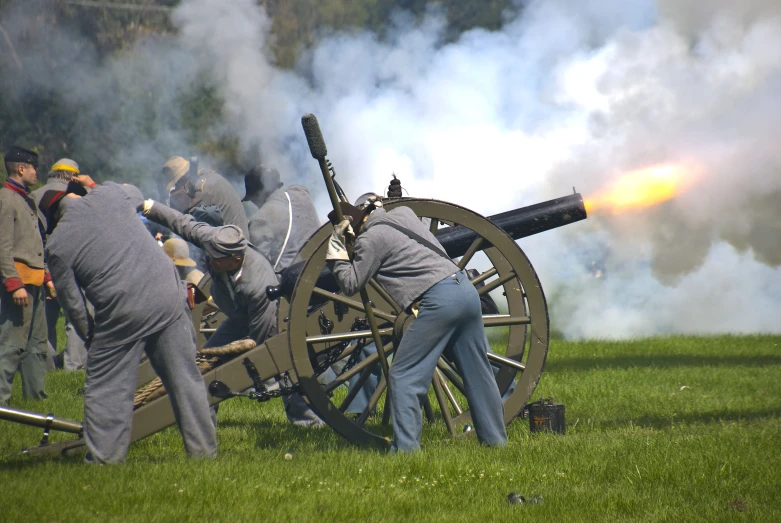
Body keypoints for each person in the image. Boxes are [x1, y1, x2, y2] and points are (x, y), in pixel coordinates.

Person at [40, 176, 217, 463]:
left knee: (107, 388)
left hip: (122, 310)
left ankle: (104, 460)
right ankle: (204, 454)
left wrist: (92, 338)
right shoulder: (109, 194)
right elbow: (136, 193)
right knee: (186, 378)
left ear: (55, 218)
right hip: (168, 295)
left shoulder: (57, 245)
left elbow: (73, 305)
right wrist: (96, 186)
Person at [326, 195, 507, 452]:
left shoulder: (371, 239)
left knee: (403, 376)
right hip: (465, 290)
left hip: (438, 301)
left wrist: (337, 253)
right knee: (478, 372)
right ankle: (495, 442)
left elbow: (351, 283)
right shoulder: (404, 214)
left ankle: (406, 451)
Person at [141, 198, 325, 428]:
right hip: (239, 314)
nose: (209, 260)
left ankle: (309, 423)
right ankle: (203, 422)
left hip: (267, 320)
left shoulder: (258, 283)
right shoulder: (215, 242)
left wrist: (244, 366)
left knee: (283, 366)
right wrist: (148, 206)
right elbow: (182, 223)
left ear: (236, 260)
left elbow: (258, 339)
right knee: (206, 362)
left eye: (216, 260)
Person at [0, 146, 50, 404]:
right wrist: (13, 283)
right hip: (19, 285)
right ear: (21, 168)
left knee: (36, 347)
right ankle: (2, 403)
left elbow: (35, 244)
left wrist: (47, 278)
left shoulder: (26, 199)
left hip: (35, 282)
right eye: (34, 167)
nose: (37, 172)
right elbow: (3, 246)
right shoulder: (6, 199)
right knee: (11, 346)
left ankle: (35, 401)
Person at [31, 158, 88, 371]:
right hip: (77, 264)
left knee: (45, 319)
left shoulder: (33, 196)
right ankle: (73, 367)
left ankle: (47, 366)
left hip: (42, 264)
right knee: (76, 318)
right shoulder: (82, 196)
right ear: (73, 176)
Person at [242, 166, 320, 273]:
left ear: (258, 194)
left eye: (253, 198)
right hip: (322, 263)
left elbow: (258, 266)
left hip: (294, 278)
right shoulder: (301, 192)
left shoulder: (260, 220)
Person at [162, 156, 249, 238]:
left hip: (235, 247)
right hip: (236, 242)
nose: (177, 188)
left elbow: (195, 228)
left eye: (177, 184)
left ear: (184, 179)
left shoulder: (203, 191)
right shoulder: (207, 179)